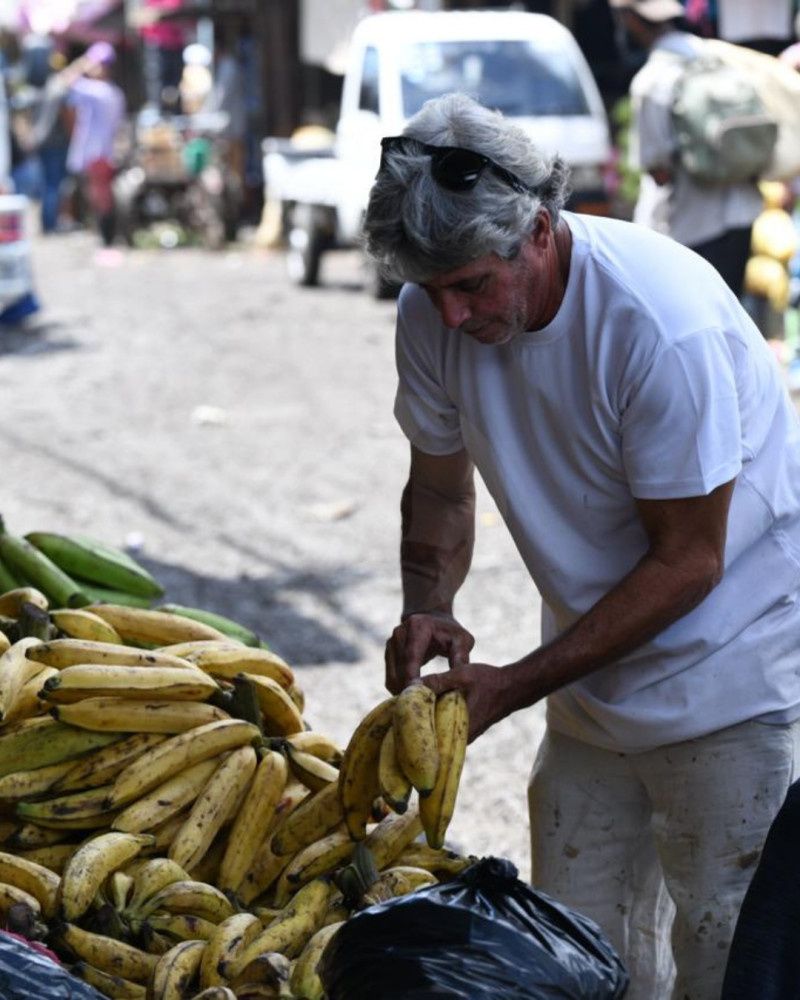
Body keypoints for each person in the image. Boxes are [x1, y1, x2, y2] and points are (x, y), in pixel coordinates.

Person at [365, 91, 800, 1000]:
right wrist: (428, 604)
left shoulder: (658, 323)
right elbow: (439, 487)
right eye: (432, 289)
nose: (452, 316)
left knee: (727, 955)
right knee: (574, 951)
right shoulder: (431, 311)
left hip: (733, 673)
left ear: (539, 230)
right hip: (591, 679)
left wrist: (515, 684)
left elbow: (689, 561)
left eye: (471, 285)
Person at [612, 0, 763, 299]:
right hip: (743, 214)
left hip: (693, 228)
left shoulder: (651, 81)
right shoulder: (717, 57)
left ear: (631, 19)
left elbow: (659, 171)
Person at [58, 41, 126, 255]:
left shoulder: (98, 91)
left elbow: (66, 79)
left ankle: (107, 238)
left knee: (101, 196)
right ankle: (105, 235)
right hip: (103, 151)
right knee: (99, 195)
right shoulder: (114, 92)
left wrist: (81, 63)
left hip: (98, 152)